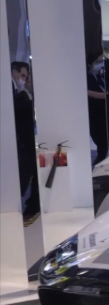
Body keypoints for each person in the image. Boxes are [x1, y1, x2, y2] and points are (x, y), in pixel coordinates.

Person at [11, 62, 39, 225]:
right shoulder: (21, 98)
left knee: (31, 173)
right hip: (24, 144)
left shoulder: (27, 96)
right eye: (25, 76)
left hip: (28, 143)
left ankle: (32, 204)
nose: (26, 80)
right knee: (24, 175)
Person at [86, 50, 109, 166]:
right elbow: (104, 95)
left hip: (103, 113)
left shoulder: (101, 76)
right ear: (90, 64)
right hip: (94, 114)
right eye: (98, 61)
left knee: (104, 144)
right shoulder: (87, 79)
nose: (101, 64)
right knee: (101, 142)